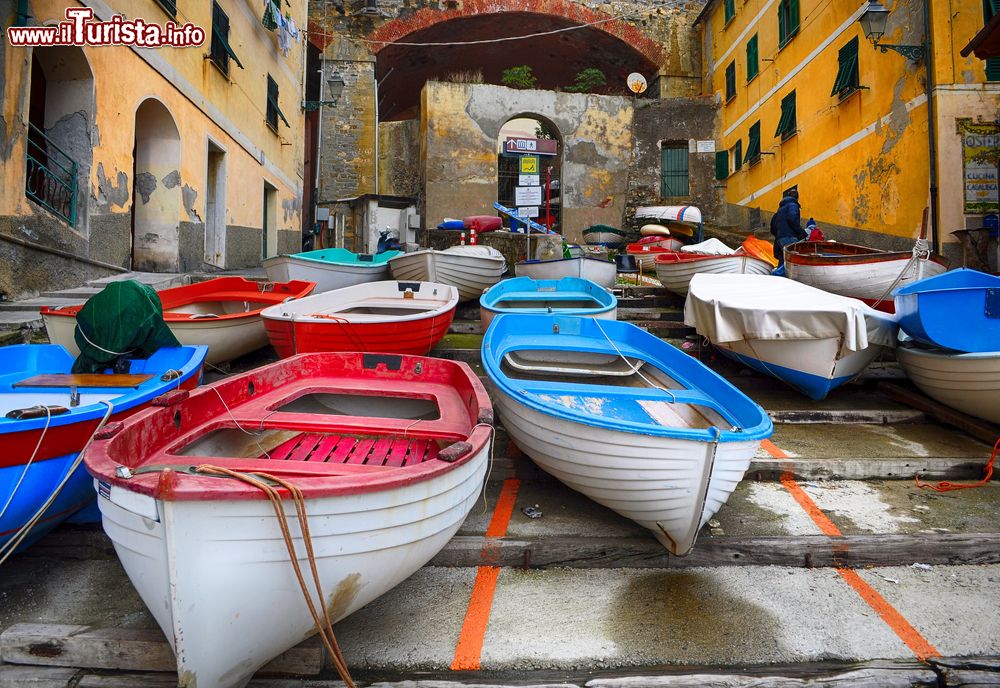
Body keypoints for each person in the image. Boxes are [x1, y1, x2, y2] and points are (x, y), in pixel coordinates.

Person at [769, 189, 806, 267]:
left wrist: (779, 235)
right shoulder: (793, 205)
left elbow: (772, 226)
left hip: (779, 240)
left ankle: (777, 277)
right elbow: (792, 219)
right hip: (789, 237)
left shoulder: (779, 210)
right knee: (793, 262)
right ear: (797, 198)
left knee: (783, 261)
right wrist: (800, 232)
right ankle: (776, 274)